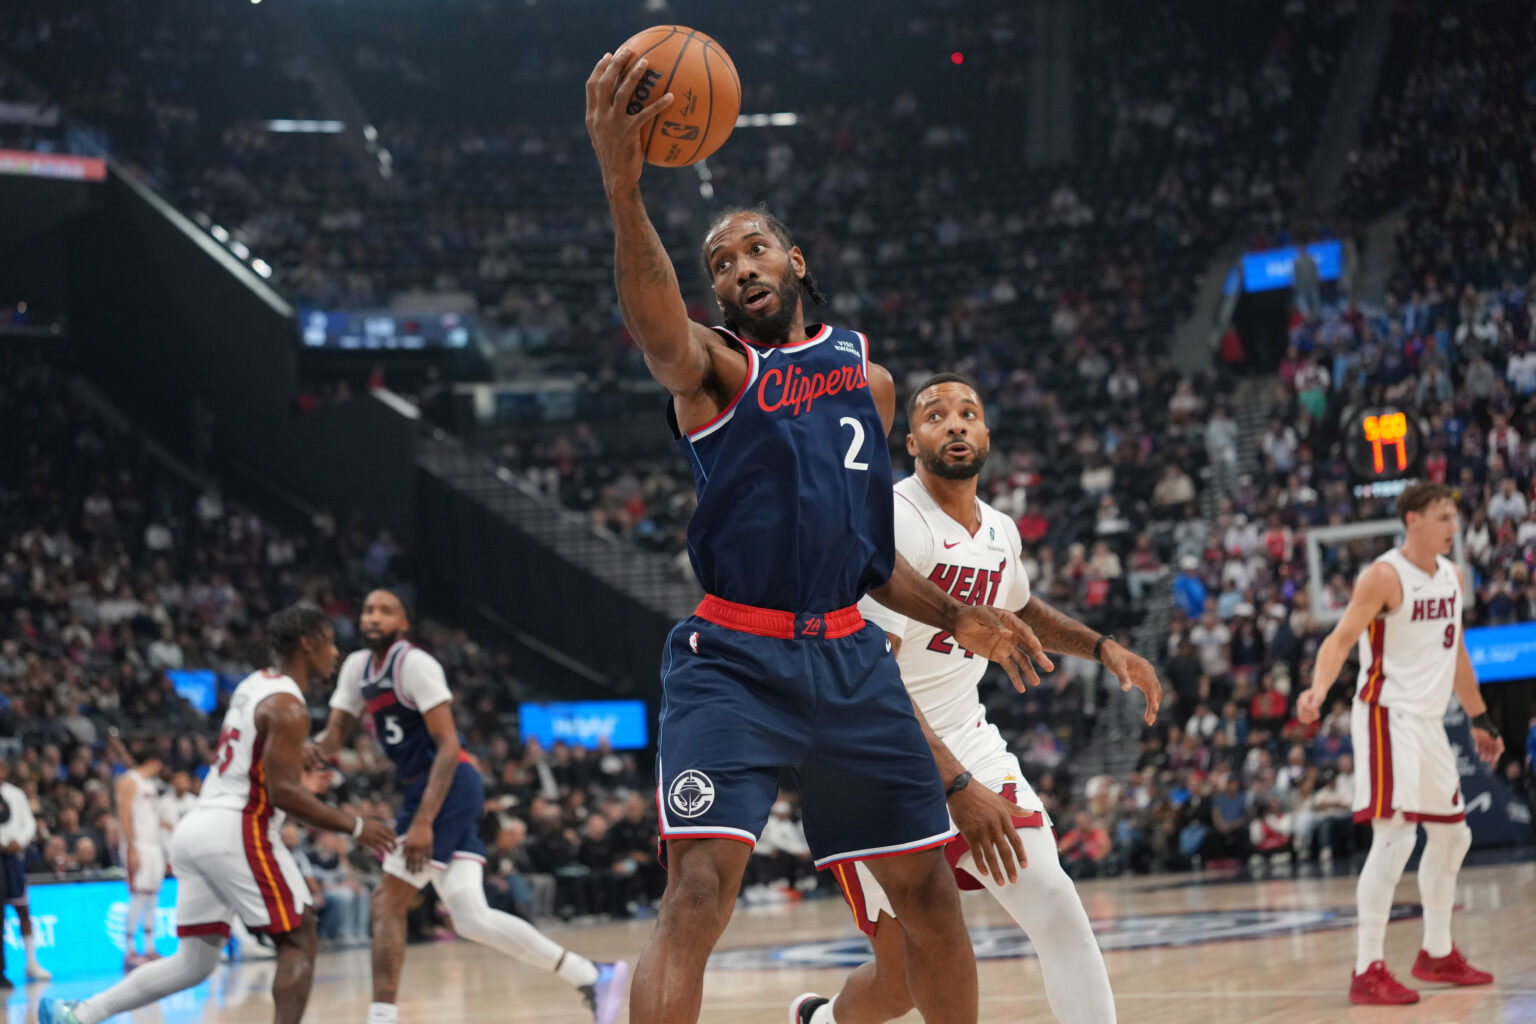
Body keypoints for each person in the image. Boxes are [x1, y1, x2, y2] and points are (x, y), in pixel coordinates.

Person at [586, 50, 1050, 1024]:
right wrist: (624, 190)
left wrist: (955, 612)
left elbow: (869, 552)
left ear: (795, 262)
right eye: (719, 263)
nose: (738, 268)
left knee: (928, 897)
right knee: (700, 894)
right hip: (736, 651)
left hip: (848, 652)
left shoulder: (870, 382)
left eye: (753, 249)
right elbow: (657, 333)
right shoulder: (714, 367)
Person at [793, 375, 1162, 1024]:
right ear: (911, 443)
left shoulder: (1000, 531)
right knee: (907, 978)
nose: (956, 424)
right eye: (937, 416)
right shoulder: (893, 523)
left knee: (1054, 900)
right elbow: (866, 675)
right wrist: (956, 785)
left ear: (987, 435)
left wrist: (1105, 649)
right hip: (871, 753)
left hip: (966, 736)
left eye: (969, 413)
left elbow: (1020, 608)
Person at [41, 605, 396, 1024]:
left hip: (197, 827)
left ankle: (81, 1015)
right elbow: (282, 793)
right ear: (307, 644)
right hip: (238, 826)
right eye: (330, 643)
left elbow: (256, 753)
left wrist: (296, 755)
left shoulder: (255, 684)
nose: (336, 653)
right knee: (300, 936)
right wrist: (355, 825)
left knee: (196, 961)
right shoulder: (288, 706)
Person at [306, 589, 627, 1024]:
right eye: (367, 610)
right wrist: (302, 752)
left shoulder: (415, 664)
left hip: (448, 784)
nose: (373, 616)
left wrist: (422, 821)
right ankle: (593, 975)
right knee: (471, 918)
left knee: (386, 902)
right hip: (427, 789)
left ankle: (381, 1018)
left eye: (386, 610)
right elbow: (333, 736)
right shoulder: (356, 667)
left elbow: (448, 744)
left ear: (403, 624)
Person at [1298, 482, 1504, 1005]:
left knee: (1454, 837)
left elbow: (1454, 652)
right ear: (1413, 520)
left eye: (1454, 517)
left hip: (1430, 721)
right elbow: (1341, 637)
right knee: (1395, 838)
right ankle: (1367, 968)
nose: (1453, 527)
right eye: (1442, 517)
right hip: (1386, 716)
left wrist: (1481, 719)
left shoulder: (1454, 577)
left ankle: (1436, 954)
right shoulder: (1385, 576)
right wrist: (1319, 689)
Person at [116, 746, 167, 969]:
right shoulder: (130, 780)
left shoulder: (150, 784)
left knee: (153, 896)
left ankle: (149, 947)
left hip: (155, 845)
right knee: (139, 895)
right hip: (139, 845)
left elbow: (149, 815)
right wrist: (131, 847)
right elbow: (124, 814)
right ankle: (130, 950)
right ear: (154, 761)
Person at [0, 758, 49, 983]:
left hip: (14, 857)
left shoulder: (16, 794)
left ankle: (31, 962)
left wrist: (17, 841)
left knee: (23, 910)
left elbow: (29, 824)